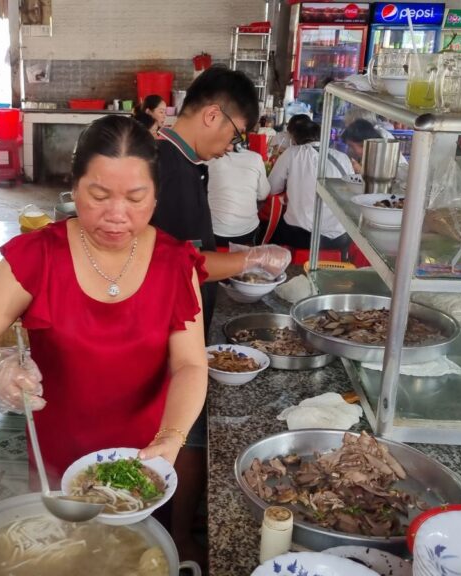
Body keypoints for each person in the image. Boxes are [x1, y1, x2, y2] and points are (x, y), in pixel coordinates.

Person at [0, 116, 209, 519]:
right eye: (99, 195)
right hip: (56, 463)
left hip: (147, 459)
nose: (116, 214)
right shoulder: (40, 254)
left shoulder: (175, 263)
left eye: (135, 198)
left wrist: (172, 438)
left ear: (156, 197)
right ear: (73, 188)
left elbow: (190, 364)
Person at [151, 66, 290, 566]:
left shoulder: (187, 163)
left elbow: (194, 248)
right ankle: (176, 540)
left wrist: (235, 256)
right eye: (235, 134)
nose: (232, 146)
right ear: (213, 115)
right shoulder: (169, 167)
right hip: (168, 328)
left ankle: (177, 527)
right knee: (184, 430)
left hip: (185, 321)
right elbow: (184, 264)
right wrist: (252, 259)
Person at [267, 118, 355, 251]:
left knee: (270, 229)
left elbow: (272, 188)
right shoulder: (343, 157)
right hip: (339, 237)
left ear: (295, 139)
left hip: (302, 236)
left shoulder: (292, 153)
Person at [207, 142, 271, 247]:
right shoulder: (255, 158)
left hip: (215, 232)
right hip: (247, 233)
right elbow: (263, 195)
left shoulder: (207, 159)